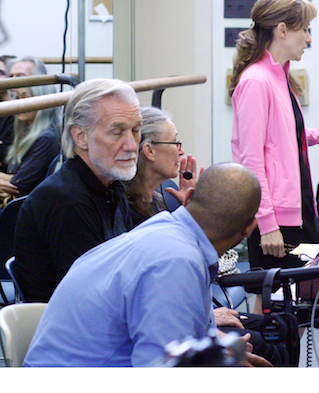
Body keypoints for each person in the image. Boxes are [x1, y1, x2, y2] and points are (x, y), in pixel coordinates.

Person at [24, 162, 268, 367]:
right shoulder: (176, 262)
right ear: (249, 227)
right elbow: (162, 377)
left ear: (189, 197)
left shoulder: (168, 235)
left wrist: (219, 354)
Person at [230, 0, 319, 270]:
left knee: (297, 298)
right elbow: (251, 159)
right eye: (304, 30)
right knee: (275, 302)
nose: (308, 38)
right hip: (275, 219)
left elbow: (283, 134)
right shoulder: (256, 81)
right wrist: (267, 223)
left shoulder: (280, 76)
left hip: (295, 210)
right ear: (282, 30)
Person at [13, 78, 140, 303]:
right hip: (73, 332)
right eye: (117, 132)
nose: (131, 145)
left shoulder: (110, 186)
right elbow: (93, 299)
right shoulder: (63, 200)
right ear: (81, 137)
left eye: (136, 130)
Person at [125, 106, 200, 227]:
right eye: (175, 142)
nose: (181, 151)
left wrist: (191, 208)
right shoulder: (123, 210)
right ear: (149, 151)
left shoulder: (158, 200)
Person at [0, 84, 61, 202]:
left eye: (25, 98)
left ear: (43, 101)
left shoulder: (46, 138)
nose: (18, 104)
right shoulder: (27, 132)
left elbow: (19, 184)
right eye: (17, 98)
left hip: (22, 206)